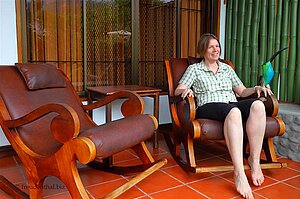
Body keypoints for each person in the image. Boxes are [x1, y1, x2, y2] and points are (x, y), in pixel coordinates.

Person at [175, 33, 273, 199]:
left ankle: (254, 161)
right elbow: (178, 89)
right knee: (234, 112)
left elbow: (241, 91)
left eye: (217, 46)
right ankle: (239, 173)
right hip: (208, 105)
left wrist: (256, 88)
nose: (216, 49)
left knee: (258, 105)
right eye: (211, 46)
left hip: (230, 103)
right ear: (203, 50)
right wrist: (186, 90)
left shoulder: (227, 68)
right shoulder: (195, 69)